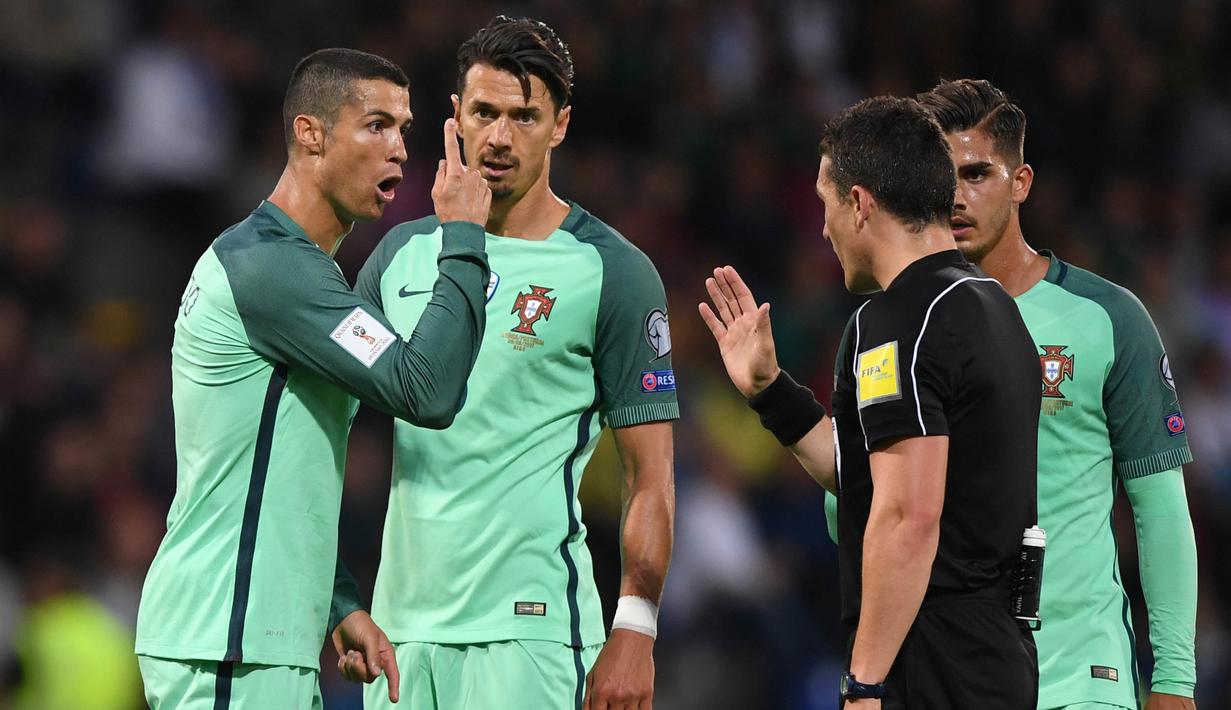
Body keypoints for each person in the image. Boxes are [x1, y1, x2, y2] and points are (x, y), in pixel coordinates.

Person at [134, 48, 494, 709]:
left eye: (403, 130)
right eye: (376, 125)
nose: (398, 152)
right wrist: (465, 238)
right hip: (228, 640)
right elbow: (427, 389)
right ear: (310, 134)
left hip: (258, 639)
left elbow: (273, 472)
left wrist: (336, 604)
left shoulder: (293, 271)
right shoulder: (273, 270)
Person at [352, 16, 677, 710]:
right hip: (399, 634)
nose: (499, 137)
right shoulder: (398, 257)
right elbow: (326, 423)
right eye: (485, 113)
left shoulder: (610, 271)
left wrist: (635, 630)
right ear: (455, 119)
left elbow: (648, 475)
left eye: (524, 116)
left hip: (528, 632)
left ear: (559, 124)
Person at [699, 96, 1041, 708]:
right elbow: (871, 476)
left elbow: (908, 515)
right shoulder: (996, 308)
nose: (823, 227)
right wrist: (770, 392)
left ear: (859, 204)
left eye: (826, 204)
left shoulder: (898, 320)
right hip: (996, 656)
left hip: (930, 661)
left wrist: (865, 681)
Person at [916, 78, 1198, 710]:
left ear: (1021, 183)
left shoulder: (1107, 318)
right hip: (950, 679)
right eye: (942, 178)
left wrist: (1176, 680)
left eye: (977, 174)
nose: (957, 198)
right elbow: (860, 513)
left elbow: (1160, 509)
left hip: (1081, 677)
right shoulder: (904, 329)